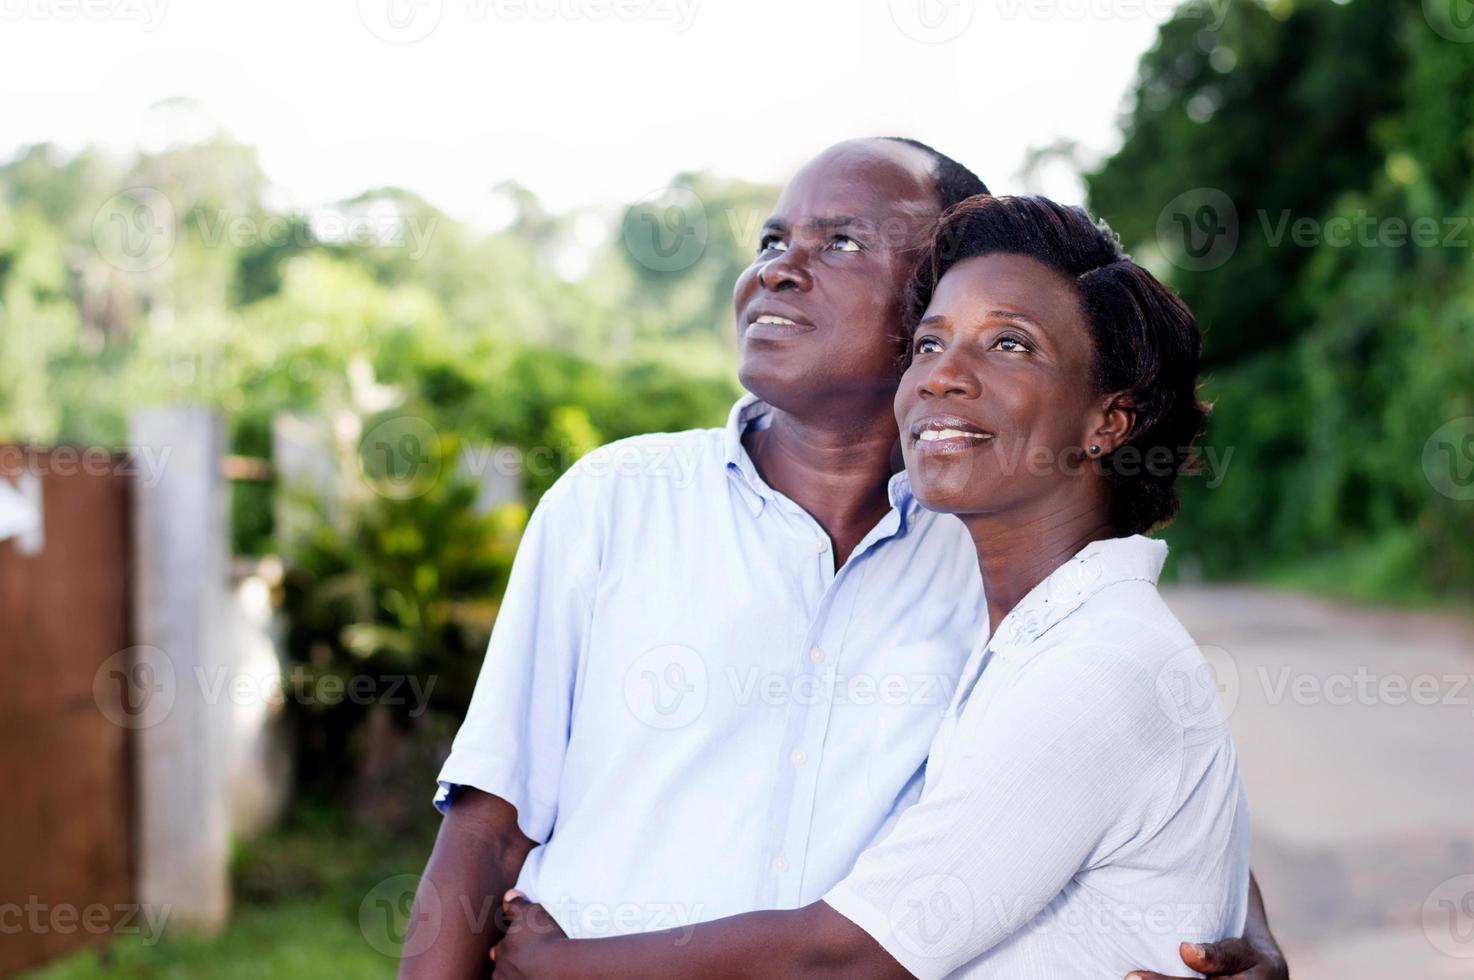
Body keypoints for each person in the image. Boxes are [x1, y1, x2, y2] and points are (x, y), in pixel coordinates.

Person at [399, 141, 1287, 980]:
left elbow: (1115, 761)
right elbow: (487, 830)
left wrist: (1229, 925)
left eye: (843, 243)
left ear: (922, 304)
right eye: (773, 239)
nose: (778, 269)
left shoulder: (996, 544)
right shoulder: (615, 501)